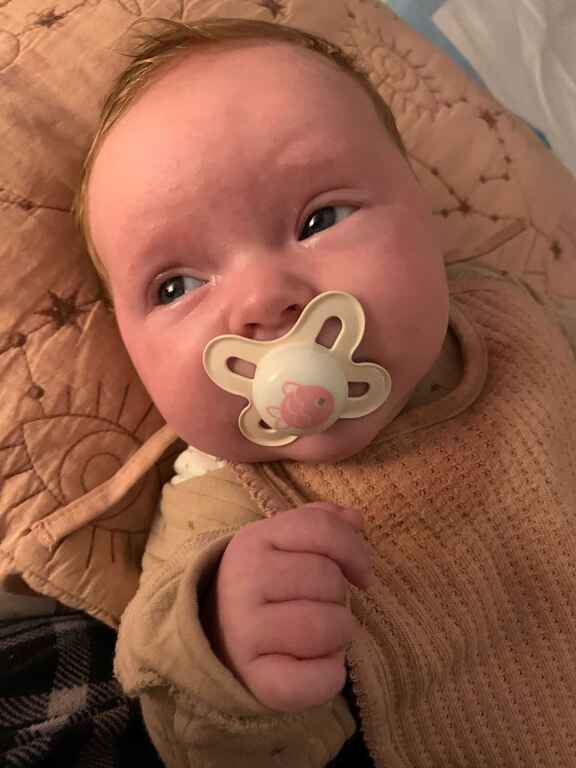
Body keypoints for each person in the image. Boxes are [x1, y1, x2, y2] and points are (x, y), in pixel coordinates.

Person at [77, 16, 576, 768]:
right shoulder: (225, 508)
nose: (263, 301)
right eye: (176, 285)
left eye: (320, 219)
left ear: (424, 213)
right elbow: (193, 737)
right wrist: (225, 654)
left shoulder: (511, 317)